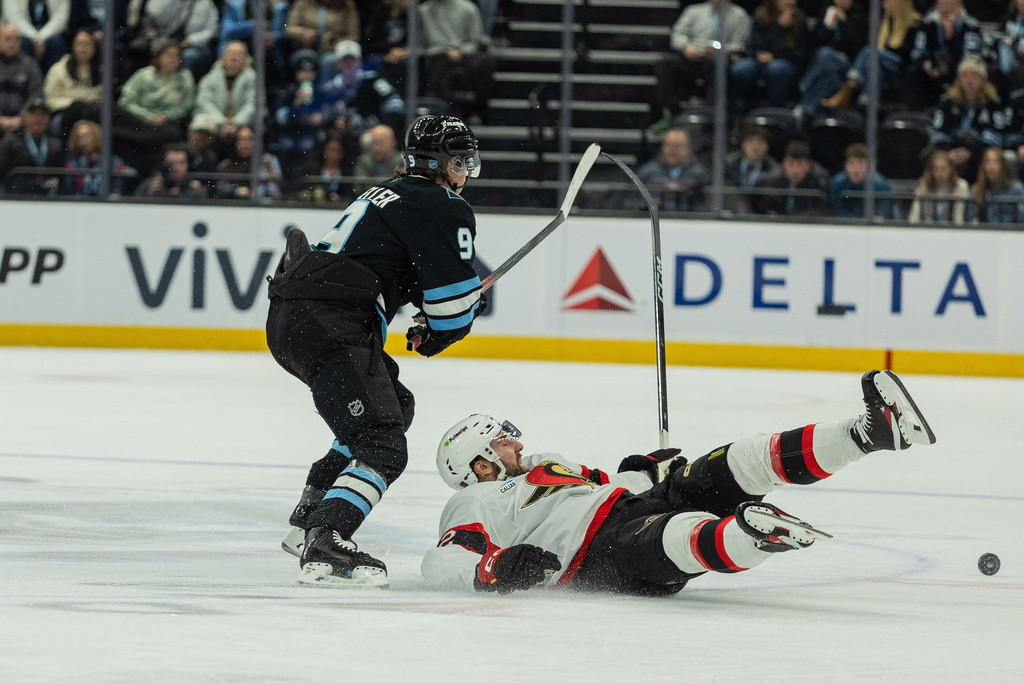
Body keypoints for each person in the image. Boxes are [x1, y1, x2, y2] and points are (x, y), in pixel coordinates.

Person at [422, 370, 936, 595]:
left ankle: (868, 433)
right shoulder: (474, 499)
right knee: (674, 534)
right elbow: (440, 560)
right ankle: (749, 538)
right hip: (594, 555)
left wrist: (642, 466)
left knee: (738, 460)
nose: (515, 440)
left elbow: (606, 487)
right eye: (501, 439)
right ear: (481, 464)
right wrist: (496, 566)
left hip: (629, 503)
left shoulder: (545, 465)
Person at [268, 115, 485, 588]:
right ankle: (327, 534)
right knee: (384, 443)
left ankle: (312, 510)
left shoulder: (388, 192)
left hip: (296, 317)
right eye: (459, 161)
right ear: (439, 164)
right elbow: (450, 307)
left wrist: (435, 318)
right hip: (332, 321)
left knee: (393, 406)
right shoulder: (439, 203)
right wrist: (444, 326)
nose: (464, 173)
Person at [649, 0, 752, 132]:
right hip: (693, 57)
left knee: (718, 70)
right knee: (665, 64)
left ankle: (709, 119)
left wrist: (721, 50)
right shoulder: (694, 11)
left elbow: (740, 44)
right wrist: (686, 46)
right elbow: (677, 34)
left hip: (719, 60)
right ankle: (672, 111)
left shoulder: (739, 15)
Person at [820, 0, 920, 110]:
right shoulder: (887, 22)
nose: (884, 5)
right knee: (871, 62)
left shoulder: (914, 24)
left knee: (868, 51)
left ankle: (847, 90)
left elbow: (907, 53)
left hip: (901, 65)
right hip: (884, 63)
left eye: (887, 2)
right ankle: (865, 102)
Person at [928, 56, 1013, 182]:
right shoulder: (946, 101)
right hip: (951, 147)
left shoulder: (994, 104)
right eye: (965, 76)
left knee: (988, 157)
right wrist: (949, 151)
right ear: (959, 79)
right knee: (929, 154)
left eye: (974, 76)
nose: (969, 81)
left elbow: (996, 136)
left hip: (978, 150)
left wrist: (970, 153)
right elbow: (938, 130)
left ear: (983, 80)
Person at [729, 0, 809, 116]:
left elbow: (800, 52)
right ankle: (739, 109)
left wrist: (775, 54)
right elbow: (755, 44)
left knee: (776, 68)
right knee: (741, 68)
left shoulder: (800, 19)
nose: (790, 2)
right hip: (758, 60)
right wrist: (777, 28)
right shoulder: (761, 15)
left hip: (787, 62)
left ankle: (775, 110)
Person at [419, 0, 493, 123]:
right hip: (436, 54)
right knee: (439, 62)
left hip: (464, 52)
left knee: (484, 62)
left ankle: (477, 111)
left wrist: (461, 51)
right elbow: (422, 45)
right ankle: (446, 112)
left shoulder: (468, 8)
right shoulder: (422, 11)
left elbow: (475, 41)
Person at [793, 0, 868, 122]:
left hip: (850, 65)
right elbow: (815, 42)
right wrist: (827, 25)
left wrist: (844, 23)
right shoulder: (826, 11)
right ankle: (803, 110)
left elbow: (858, 46)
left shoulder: (859, 16)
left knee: (825, 53)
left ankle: (805, 85)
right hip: (828, 67)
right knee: (832, 80)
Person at [317, 39, 404, 137]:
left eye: (352, 60)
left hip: (373, 137)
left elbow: (395, 102)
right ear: (338, 64)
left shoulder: (373, 80)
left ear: (359, 62)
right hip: (345, 140)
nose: (349, 64)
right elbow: (322, 118)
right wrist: (334, 123)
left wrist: (386, 127)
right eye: (345, 61)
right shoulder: (330, 89)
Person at [911, 0, 984, 107]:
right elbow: (918, 51)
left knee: (964, 72)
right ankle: (918, 111)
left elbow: (970, 55)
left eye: (951, 5)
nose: (947, 9)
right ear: (936, 6)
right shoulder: (927, 24)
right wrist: (928, 66)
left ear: (959, 6)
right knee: (914, 72)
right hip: (934, 65)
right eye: (943, 5)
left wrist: (950, 33)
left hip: (959, 65)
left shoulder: (971, 25)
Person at [126, 0, 219, 77]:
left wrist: (191, 41)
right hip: (166, 40)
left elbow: (211, 29)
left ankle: (181, 87)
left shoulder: (206, 3)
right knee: (159, 50)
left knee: (188, 56)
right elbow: (153, 12)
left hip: (193, 46)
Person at [191, 41, 257, 143]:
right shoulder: (210, 78)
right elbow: (204, 102)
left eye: (239, 53)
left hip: (243, 123)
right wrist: (220, 123)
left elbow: (253, 104)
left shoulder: (252, 78)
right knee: (200, 130)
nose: (234, 56)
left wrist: (237, 123)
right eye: (230, 52)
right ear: (223, 57)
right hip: (214, 122)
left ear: (246, 58)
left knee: (245, 135)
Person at [633, 128, 708, 212]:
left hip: (688, 219)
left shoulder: (699, 173)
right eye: (669, 145)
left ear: (687, 148)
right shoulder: (649, 171)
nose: (672, 150)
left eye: (677, 146)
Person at [753, 138, 830, 216]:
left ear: (808, 165)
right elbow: (765, 205)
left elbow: (819, 210)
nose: (795, 170)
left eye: (800, 164)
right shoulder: (774, 178)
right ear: (784, 163)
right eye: (791, 164)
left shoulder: (819, 181)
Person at [0, 97, 62, 194]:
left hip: (50, 201)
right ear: (24, 118)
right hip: (17, 200)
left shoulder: (56, 146)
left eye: (43, 114)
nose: (38, 118)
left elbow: (62, 178)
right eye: (34, 114)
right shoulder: (10, 144)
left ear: (49, 120)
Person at [42, 30, 101, 126]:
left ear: (94, 48)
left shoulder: (101, 71)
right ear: (73, 47)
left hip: (93, 114)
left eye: (87, 44)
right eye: (80, 44)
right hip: (65, 114)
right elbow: (49, 101)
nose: (83, 48)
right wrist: (75, 103)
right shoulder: (58, 69)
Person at [60, 119, 129, 196]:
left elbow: (117, 190)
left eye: (87, 136)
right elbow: (69, 191)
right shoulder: (73, 164)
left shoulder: (113, 162)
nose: (84, 141)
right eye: (79, 137)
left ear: (96, 135)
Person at [828, 142, 897, 219]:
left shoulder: (881, 186)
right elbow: (834, 212)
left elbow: (883, 215)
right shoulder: (837, 183)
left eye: (861, 164)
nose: (856, 170)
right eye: (852, 164)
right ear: (846, 166)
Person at [215, 126, 283, 200]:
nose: (246, 143)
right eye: (242, 139)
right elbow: (220, 190)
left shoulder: (268, 160)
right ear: (235, 143)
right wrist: (235, 191)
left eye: (250, 139)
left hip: (260, 206)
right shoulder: (226, 164)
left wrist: (253, 193)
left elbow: (275, 193)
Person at [0, 23, 43, 138]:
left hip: (23, 122)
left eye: (16, 39)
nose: (12, 43)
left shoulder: (30, 65)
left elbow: (36, 95)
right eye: (8, 39)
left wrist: (22, 118)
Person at [723, 125, 779, 214]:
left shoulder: (773, 171)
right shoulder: (728, 165)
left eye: (760, 142)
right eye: (751, 141)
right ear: (743, 144)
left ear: (767, 146)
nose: (755, 147)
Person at [1, 0, 69, 71]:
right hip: (23, 33)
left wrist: (41, 38)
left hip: (51, 34)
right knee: (22, 42)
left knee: (55, 42)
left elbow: (61, 18)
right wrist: (36, 38)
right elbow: (14, 18)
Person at [908, 149, 970, 224]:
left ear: (951, 169)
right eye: (936, 169)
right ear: (931, 170)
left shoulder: (961, 185)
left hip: (952, 230)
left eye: (943, 169)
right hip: (928, 229)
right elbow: (915, 213)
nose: (940, 173)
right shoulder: (924, 185)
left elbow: (959, 217)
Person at [292, 130, 355, 202]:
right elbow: (299, 191)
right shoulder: (312, 168)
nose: (333, 155)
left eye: (337, 151)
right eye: (330, 150)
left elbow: (352, 195)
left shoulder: (348, 171)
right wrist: (313, 193)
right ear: (324, 150)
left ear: (343, 153)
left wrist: (340, 199)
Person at [966, 146, 1024, 222]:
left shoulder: (1016, 189)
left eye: (996, 162)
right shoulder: (976, 190)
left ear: (1003, 166)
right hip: (984, 232)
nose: (991, 167)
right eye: (987, 162)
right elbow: (970, 218)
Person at [283, 0, 360, 57]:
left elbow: (354, 35)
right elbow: (289, 28)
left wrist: (337, 44)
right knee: (306, 58)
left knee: (330, 61)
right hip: (307, 47)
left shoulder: (347, 5)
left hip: (336, 50)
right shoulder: (303, 3)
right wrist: (303, 32)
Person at [134, 143, 208, 199]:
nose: (175, 168)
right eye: (170, 163)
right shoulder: (149, 186)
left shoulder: (195, 190)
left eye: (180, 163)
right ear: (163, 164)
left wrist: (178, 198)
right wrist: (149, 196)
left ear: (187, 165)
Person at [352, 123, 404, 194]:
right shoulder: (363, 161)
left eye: (380, 143)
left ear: (392, 142)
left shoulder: (402, 161)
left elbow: (402, 187)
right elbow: (359, 187)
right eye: (374, 143)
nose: (376, 148)